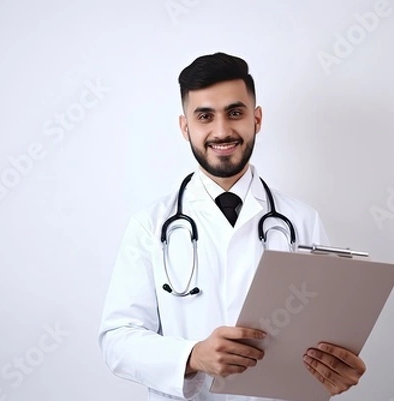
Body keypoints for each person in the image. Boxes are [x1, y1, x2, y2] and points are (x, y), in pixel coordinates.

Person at [98, 52, 367, 401]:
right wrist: (193, 356)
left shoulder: (302, 220)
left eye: (235, 113)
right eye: (205, 116)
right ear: (185, 127)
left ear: (257, 119)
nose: (222, 131)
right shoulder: (151, 225)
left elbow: (325, 337)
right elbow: (117, 339)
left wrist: (335, 371)